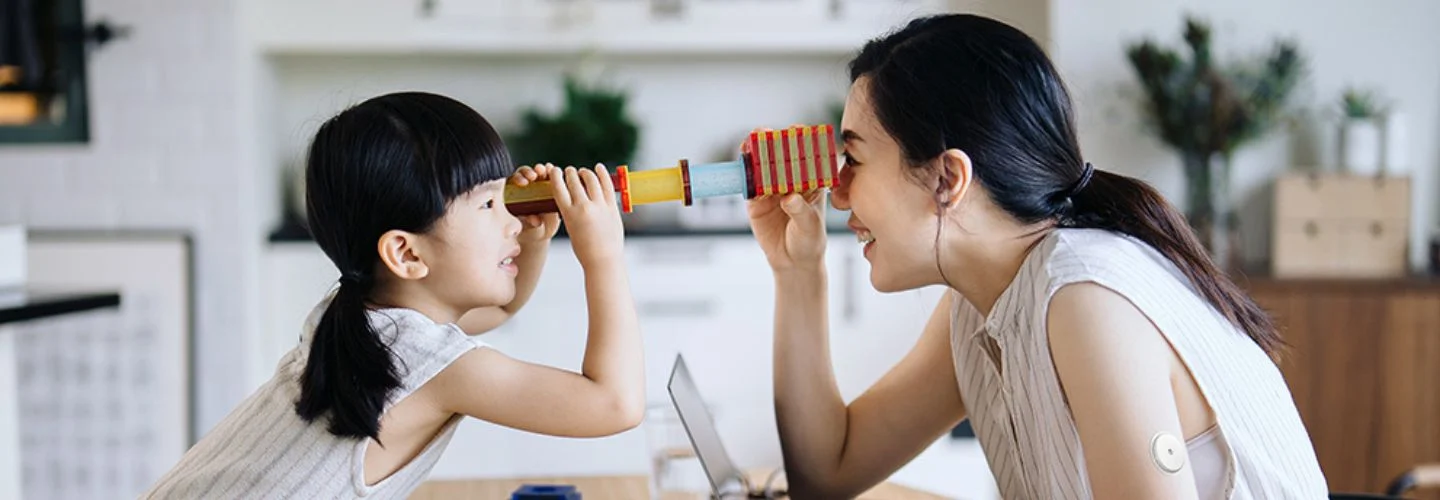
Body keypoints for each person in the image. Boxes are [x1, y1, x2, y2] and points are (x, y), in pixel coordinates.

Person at [748, 14, 1329, 500]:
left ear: (947, 177)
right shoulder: (980, 307)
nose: (838, 191)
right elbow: (827, 475)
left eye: (856, 159)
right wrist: (797, 271)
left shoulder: (1087, 299)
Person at [143, 92, 644, 498]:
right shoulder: (429, 363)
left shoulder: (359, 320)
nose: (510, 217)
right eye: (489, 203)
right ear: (406, 255)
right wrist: (602, 256)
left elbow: (503, 307)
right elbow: (614, 405)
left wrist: (533, 242)